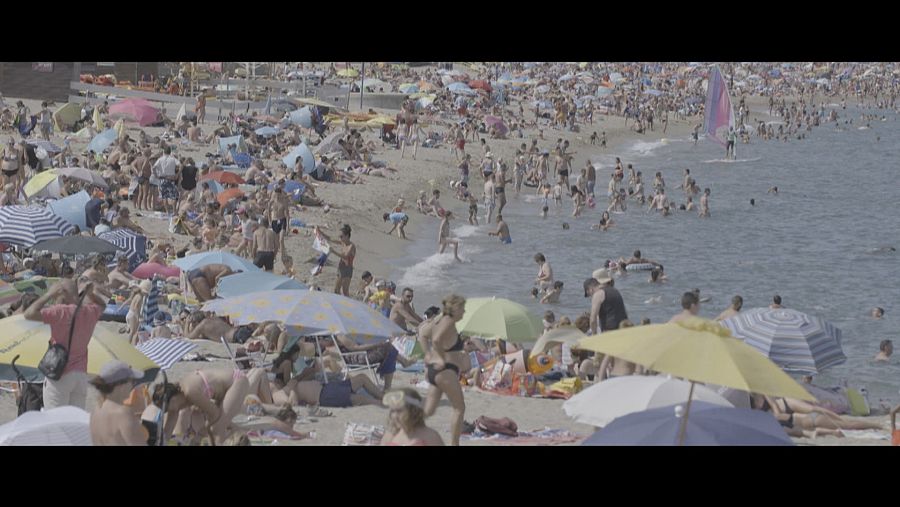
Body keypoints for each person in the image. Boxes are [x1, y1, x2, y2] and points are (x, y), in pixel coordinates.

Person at [24, 279, 107, 410]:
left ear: (61, 293)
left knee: (55, 420)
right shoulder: (89, 311)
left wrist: (49, 294)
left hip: (60, 373)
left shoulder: (60, 311)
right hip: (80, 374)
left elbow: (29, 314)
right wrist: (90, 294)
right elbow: (102, 305)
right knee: (73, 421)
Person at [152, 367, 250, 445]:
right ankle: (241, 434)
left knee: (216, 427)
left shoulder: (190, 392)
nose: (165, 411)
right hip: (224, 390)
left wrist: (199, 436)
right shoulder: (175, 401)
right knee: (217, 426)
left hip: (236, 382)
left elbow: (215, 414)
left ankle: (241, 434)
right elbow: (167, 432)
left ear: (172, 399)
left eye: (165, 408)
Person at [421, 294, 468, 446]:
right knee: (459, 408)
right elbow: (435, 340)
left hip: (435, 372)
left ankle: (403, 429)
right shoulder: (447, 321)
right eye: (462, 308)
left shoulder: (439, 319)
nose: (464, 312)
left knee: (428, 411)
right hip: (445, 371)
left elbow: (422, 334)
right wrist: (440, 358)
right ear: (454, 308)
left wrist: (428, 354)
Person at [89, 361, 148, 446]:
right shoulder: (123, 413)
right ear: (120, 385)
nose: (133, 385)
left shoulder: (95, 412)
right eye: (132, 381)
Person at [584, 268, 628, 335]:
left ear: (591, 288)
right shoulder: (615, 291)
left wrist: (594, 335)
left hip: (610, 332)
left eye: (589, 294)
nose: (591, 295)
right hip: (624, 328)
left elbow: (593, 319)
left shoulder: (598, 294)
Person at [316, 224, 356, 296]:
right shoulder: (343, 242)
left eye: (341, 236)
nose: (340, 238)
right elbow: (330, 238)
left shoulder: (351, 246)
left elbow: (345, 257)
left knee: (345, 291)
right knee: (336, 289)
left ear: (347, 236)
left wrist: (333, 251)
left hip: (348, 269)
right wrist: (320, 232)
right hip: (341, 267)